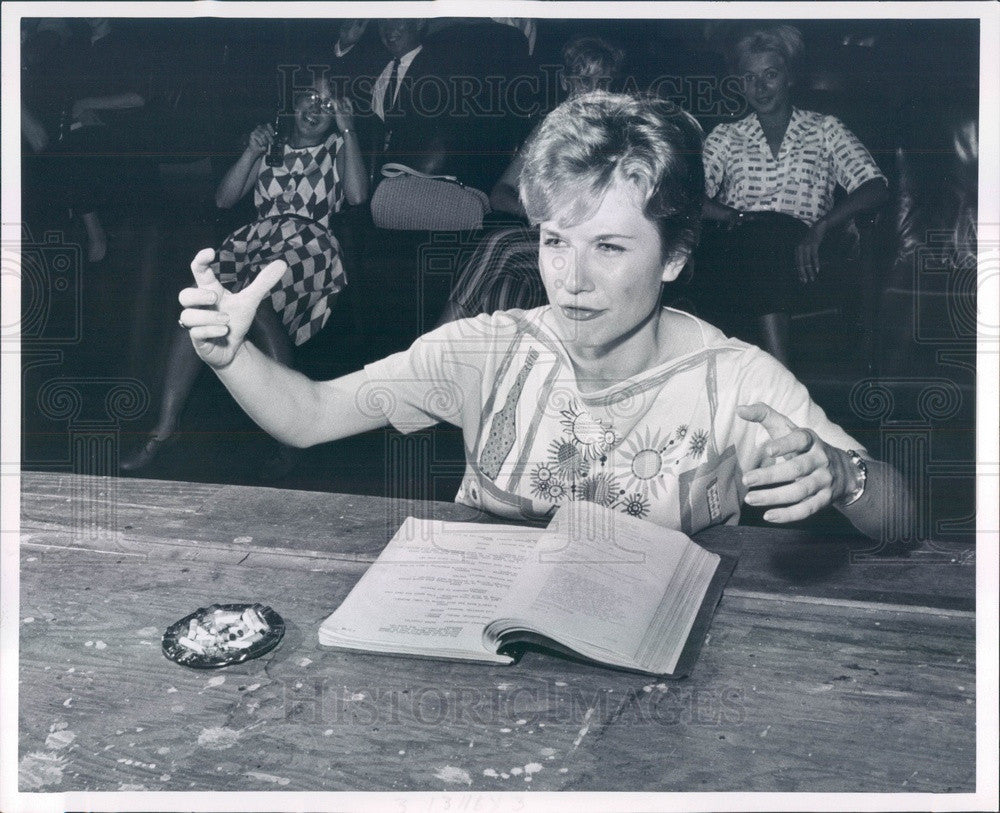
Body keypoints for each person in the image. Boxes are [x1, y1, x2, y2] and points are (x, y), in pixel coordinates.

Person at [175, 91, 910, 541]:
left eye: (610, 246)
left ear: (677, 255)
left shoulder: (736, 382)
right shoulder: (485, 350)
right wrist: (231, 355)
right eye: (556, 240)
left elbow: (903, 519)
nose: (569, 278)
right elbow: (309, 414)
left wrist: (843, 478)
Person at [120, 76, 368, 474]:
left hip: (309, 245)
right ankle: (163, 430)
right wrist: (250, 153)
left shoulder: (339, 146)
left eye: (328, 103)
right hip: (253, 243)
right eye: (310, 97)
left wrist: (349, 130)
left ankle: (291, 433)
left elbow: (357, 197)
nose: (316, 108)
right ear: (294, 103)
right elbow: (224, 198)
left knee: (259, 306)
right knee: (202, 309)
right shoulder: (269, 148)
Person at [700, 24, 888, 365]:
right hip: (737, 244)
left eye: (770, 74)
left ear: (790, 77)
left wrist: (822, 226)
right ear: (739, 82)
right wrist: (731, 216)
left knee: (763, 245)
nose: (760, 87)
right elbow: (687, 198)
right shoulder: (725, 136)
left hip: (803, 248)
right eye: (749, 77)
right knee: (751, 242)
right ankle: (783, 379)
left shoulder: (824, 128)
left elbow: (875, 187)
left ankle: (772, 380)